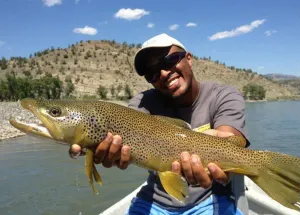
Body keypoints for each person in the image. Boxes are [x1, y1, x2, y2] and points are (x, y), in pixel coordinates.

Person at [70, 33, 250, 215]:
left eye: (170, 61)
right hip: (153, 201)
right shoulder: (142, 103)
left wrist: (226, 152)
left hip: (209, 199)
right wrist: (96, 148)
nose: (163, 74)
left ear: (189, 58)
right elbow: (118, 129)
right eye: (152, 73)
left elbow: (231, 140)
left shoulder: (224, 95)